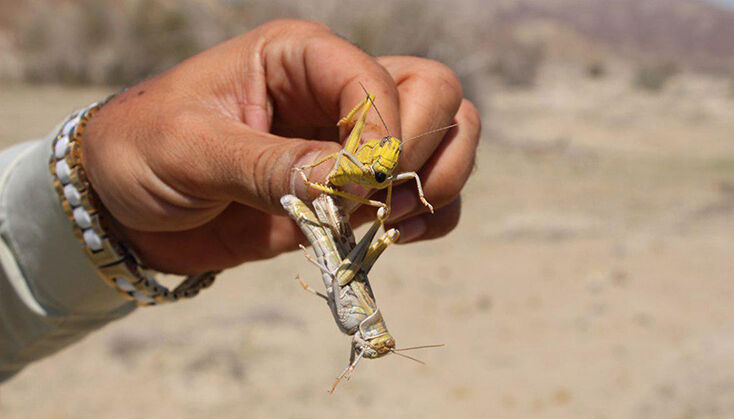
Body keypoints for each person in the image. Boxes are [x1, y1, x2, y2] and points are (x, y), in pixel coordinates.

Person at [0, 19, 481, 382]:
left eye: (375, 343)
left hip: (323, 250)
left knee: (366, 232)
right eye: (378, 340)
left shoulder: (364, 332)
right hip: (338, 248)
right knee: (374, 232)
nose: (374, 342)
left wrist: (108, 222)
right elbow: (348, 278)